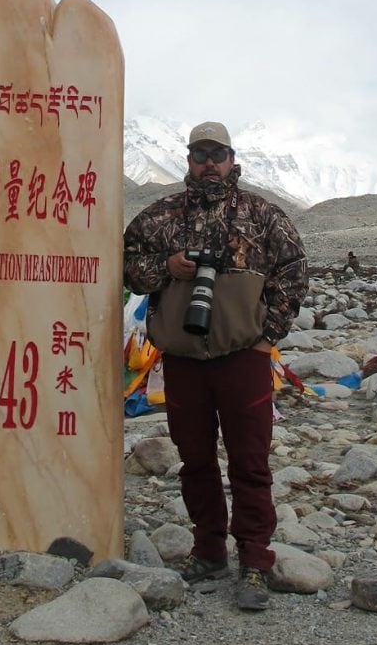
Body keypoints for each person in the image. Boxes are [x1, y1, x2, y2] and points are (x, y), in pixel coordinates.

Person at [123, 121, 308, 611]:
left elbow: (294, 272)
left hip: (243, 358)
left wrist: (268, 338)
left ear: (232, 158)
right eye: (200, 153)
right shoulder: (159, 218)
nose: (209, 161)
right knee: (196, 461)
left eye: (218, 153)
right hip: (183, 360)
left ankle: (254, 559)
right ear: (188, 159)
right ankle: (208, 551)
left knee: (251, 461)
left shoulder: (262, 214)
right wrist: (169, 267)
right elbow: (127, 269)